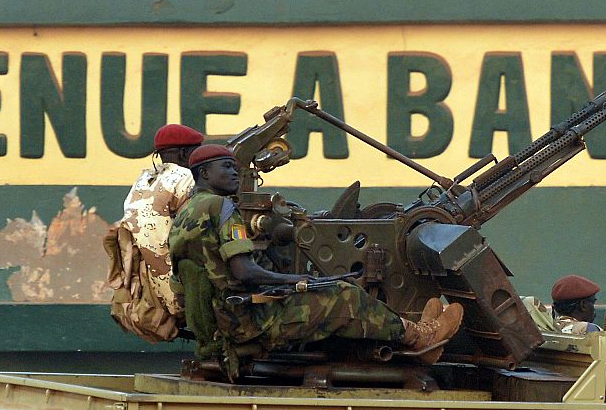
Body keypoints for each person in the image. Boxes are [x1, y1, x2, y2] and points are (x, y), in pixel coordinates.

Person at [169, 144, 463, 371]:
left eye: (235, 167)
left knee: (326, 294)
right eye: (226, 168)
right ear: (204, 173)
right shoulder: (222, 209)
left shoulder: (185, 213)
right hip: (246, 324)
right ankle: (420, 338)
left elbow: (192, 281)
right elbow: (244, 271)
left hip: (219, 324)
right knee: (345, 295)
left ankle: (413, 336)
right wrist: (295, 279)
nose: (235, 173)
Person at [105, 123, 204, 342]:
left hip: (144, 277)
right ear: (183, 153)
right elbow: (194, 225)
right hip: (171, 275)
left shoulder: (143, 180)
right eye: (196, 150)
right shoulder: (186, 178)